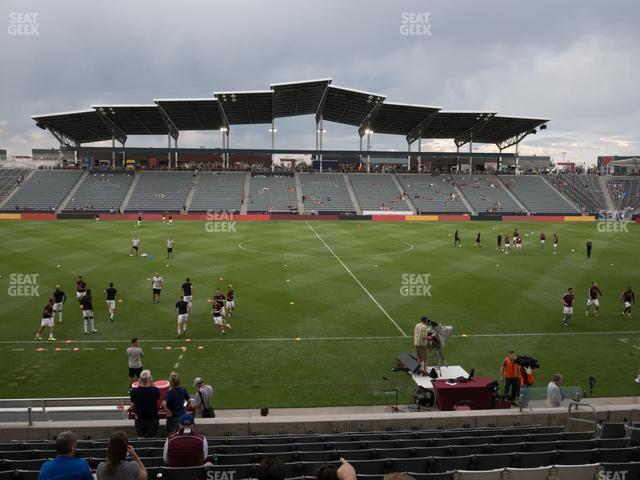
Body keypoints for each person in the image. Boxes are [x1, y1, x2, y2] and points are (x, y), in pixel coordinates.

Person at [130, 369, 160, 437]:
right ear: (150, 379)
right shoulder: (155, 391)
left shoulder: (134, 392)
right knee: (152, 441)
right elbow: (157, 396)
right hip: (152, 420)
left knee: (141, 441)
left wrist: (140, 383)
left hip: (140, 420)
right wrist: (151, 383)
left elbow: (133, 403)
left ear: (140, 379)